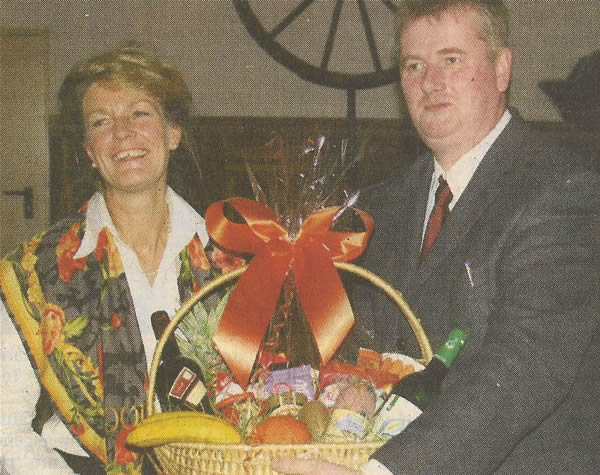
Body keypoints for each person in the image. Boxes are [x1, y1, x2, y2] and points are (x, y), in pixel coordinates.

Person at [273, 0, 600, 473]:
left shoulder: (562, 190)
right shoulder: (379, 205)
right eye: (414, 66)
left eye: (451, 59)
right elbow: (356, 356)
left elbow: (524, 367)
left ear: (502, 68)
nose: (430, 82)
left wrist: (385, 471)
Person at [0, 46, 239, 474]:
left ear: (173, 133)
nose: (123, 133)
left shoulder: (231, 257)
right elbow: (6, 429)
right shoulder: (34, 271)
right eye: (101, 122)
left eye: (140, 114)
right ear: (89, 150)